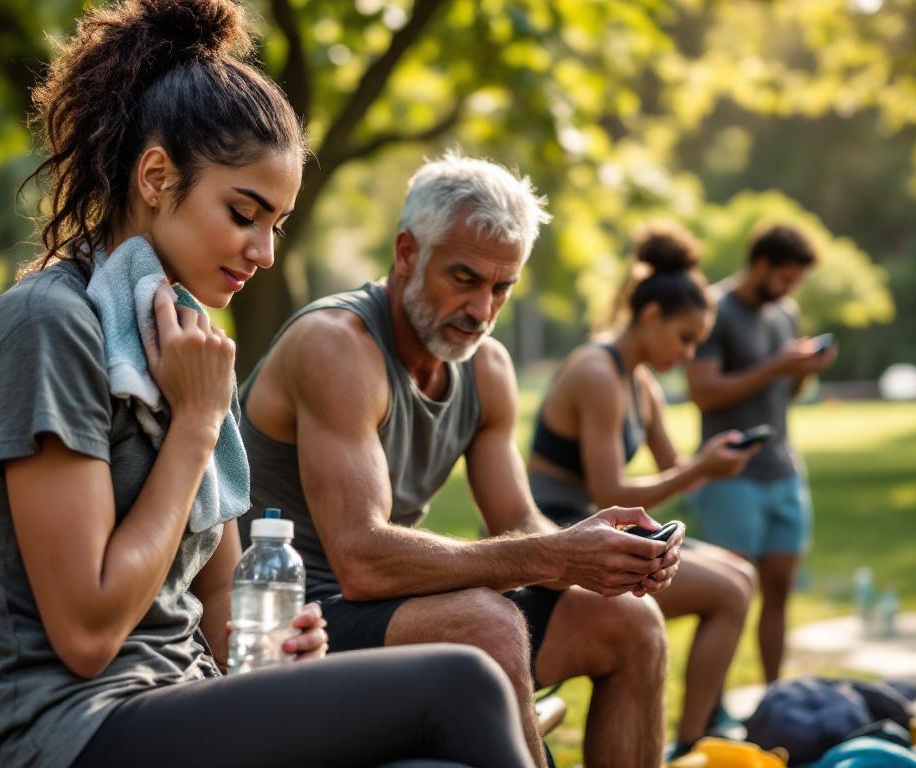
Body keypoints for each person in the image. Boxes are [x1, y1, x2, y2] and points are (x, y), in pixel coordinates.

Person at [0, 3, 534, 766]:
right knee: (465, 683)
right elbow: (85, 636)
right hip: (65, 732)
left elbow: (216, 610)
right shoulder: (50, 328)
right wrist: (196, 423)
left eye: (277, 223)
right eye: (245, 214)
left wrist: (277, 655)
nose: (266, 251)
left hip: (171, 698)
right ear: (156, 176)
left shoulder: (177, 341)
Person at [240, 152, 686, 768]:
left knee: (632, 622)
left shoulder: (488, 368)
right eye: (465, 278)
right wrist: (554, 555)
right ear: (406, 254)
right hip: (288, 623)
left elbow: (521, 524)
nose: (482, 310)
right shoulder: (336, 346)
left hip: (387, 615)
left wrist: (599, 554)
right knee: (486, 623)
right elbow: (361, 562)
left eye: (502, 287)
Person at [527, 222, 759, 757]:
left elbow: (672, 466)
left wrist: (713, 461)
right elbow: (612, 487)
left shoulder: (640, 380)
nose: (688, 353)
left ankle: (701, 730)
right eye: (685, 338)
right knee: (727, 592)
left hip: (598, 522)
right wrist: (698, 470)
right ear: (651, 315)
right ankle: (692, 741)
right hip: (557, 532)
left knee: (741, 576)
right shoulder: (597, 371)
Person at [684, 223, 834, 684]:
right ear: (762, 264)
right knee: (726, 595)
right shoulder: (714, 309)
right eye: (786, 277)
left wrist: (804, 369)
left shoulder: (784, 311)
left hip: (784, 470)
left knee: (780, 590)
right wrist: (777, 366)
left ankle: (775, 696)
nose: (791, 289)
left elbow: (782, 393)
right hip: (732, 477)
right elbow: (704, 392)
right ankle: (711, 711)